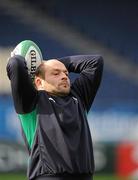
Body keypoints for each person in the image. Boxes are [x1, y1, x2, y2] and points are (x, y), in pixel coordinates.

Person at [6, 52, 103, 180]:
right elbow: (16, 64)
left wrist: (53, 63)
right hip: (48, 176)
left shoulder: (79, 97)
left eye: (66, 73)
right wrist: (38, 64)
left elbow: (95, 62)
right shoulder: (31, 102)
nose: (64, 76)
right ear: (39, 82)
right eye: (56, 73)